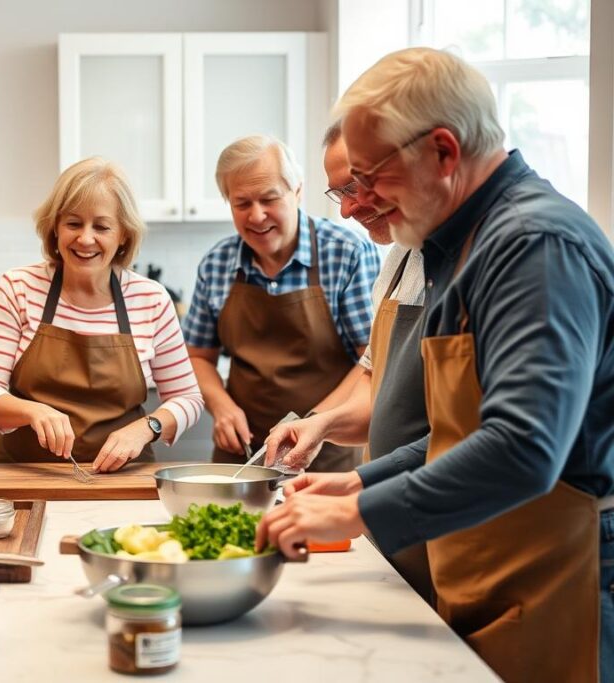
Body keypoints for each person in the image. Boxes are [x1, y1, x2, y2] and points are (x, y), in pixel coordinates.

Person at [256, 47, 614, 683]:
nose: (356, 202)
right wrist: (362, 483)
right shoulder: (458, 245)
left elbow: (525, 446)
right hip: (497, 560)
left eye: (369, 177)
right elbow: (462, 429)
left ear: (444, 152)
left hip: (564, 573)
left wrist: (357, 513)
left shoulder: (533, 246)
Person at [262, 122, 432, 603]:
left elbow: (485, 436)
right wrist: (324, 425)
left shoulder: (499, 255)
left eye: (356, 186)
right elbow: (378, 387)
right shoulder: (399, 259)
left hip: (433, 513)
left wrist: (358, 494)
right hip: (392, 521)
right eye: (340, 192)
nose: (349, 209)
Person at [0, 158, 203, 471]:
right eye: (73, 223)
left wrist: (148, 427)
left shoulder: (151, 300)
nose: (86, 239)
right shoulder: (18, 287)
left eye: (102, 227)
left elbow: (188, 399)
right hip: (27, 474)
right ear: (55, 227)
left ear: (123, 235)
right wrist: (33, 412)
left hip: (123, 477)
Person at [181, 135, 380, 469]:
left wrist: (314, 425)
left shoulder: (346, 252)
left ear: (297, 191)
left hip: (328, 455)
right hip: (242, 457)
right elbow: (198, 356)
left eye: (269, 199)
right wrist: (221, 406)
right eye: (242, 204)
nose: (257, 216)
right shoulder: (217, 264)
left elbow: (371, 362)